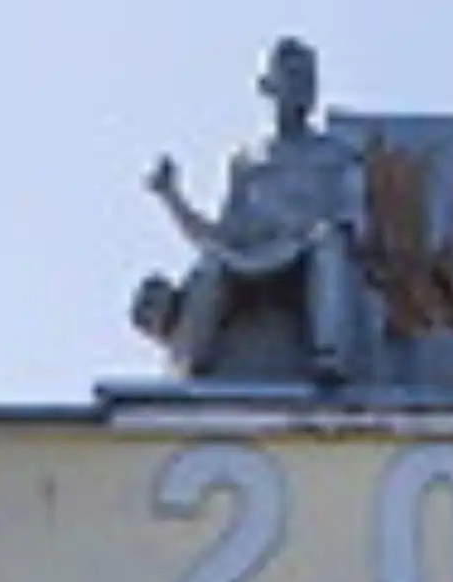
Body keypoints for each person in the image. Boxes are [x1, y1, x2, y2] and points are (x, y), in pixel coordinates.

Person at [135, 35, 379, 385]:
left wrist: (321, 233)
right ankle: (192, 362)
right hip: (254, 258)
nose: (302, 89)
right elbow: (219, 236)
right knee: (211, 266)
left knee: (330, 248)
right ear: (268, 87)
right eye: (292, 77)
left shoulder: (338, 156)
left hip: (308, 253)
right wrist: (171, 196)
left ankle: (331, 356)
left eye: (308, 80)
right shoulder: (248, 163)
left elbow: (356, 222)